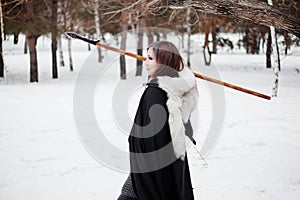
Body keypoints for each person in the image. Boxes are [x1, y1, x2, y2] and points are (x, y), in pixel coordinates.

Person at [117, 41, 198, 200]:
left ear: (164, 62)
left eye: (150, 58)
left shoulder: (155, 93)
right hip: (159, 168)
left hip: (150, 171)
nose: (145, 62)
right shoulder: (171, 90)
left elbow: (151, 138)